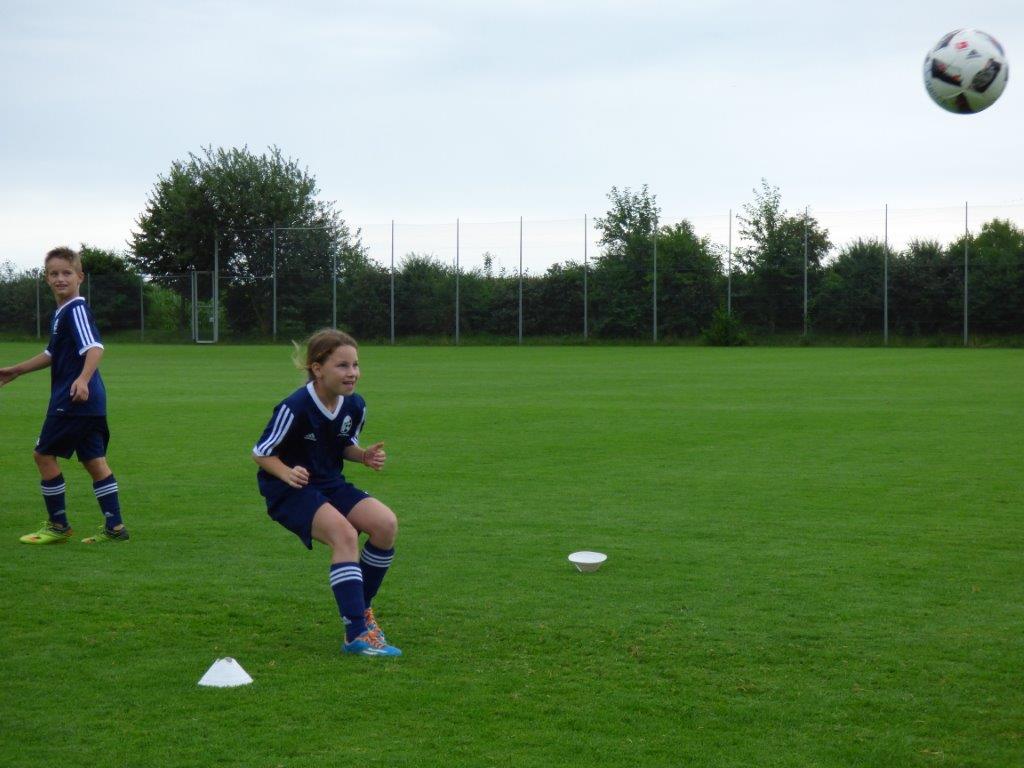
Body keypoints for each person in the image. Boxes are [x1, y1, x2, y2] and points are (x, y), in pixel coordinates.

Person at [252, 329, 402, 657]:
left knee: (385, 524)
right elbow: (261, 452)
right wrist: (287, 472)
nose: (352, 373)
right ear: (317, 369)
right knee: (344, 535)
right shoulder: (295, 406)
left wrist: (363, 455)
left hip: (330, 482)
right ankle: (356, 634)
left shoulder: (355, 405)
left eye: (355, 365)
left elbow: (343, 445)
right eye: (342, 366)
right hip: (290, 488)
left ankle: (361, 609)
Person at [0, 246, 129, 544]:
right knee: (94, 461)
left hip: (73, 399)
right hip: (90, 402)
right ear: (46, 279)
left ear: (80, 277)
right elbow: (51, 353)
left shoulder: (76, 309)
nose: (60, 278)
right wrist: (16, 370)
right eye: (54, 273)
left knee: (43, 455)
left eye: (66, 273)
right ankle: (115, 528)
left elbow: (94, 347)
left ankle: (58, 525)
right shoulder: (61, 313)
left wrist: (82, 379)